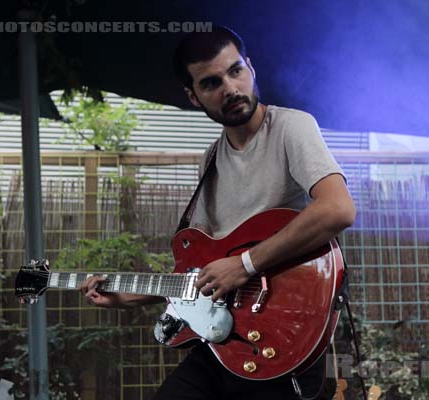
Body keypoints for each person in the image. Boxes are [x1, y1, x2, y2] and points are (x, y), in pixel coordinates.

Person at [79, 26, 356, 400]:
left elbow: (337, 209)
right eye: (211, 83)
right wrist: (126, 297)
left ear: (251, 69)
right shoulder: (211, 160)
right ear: (194, 96)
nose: (230, 88)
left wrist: (243, 265)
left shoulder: (291, 127)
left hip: (284, 334)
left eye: (236, 71)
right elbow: (204, 272)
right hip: (224, 340)